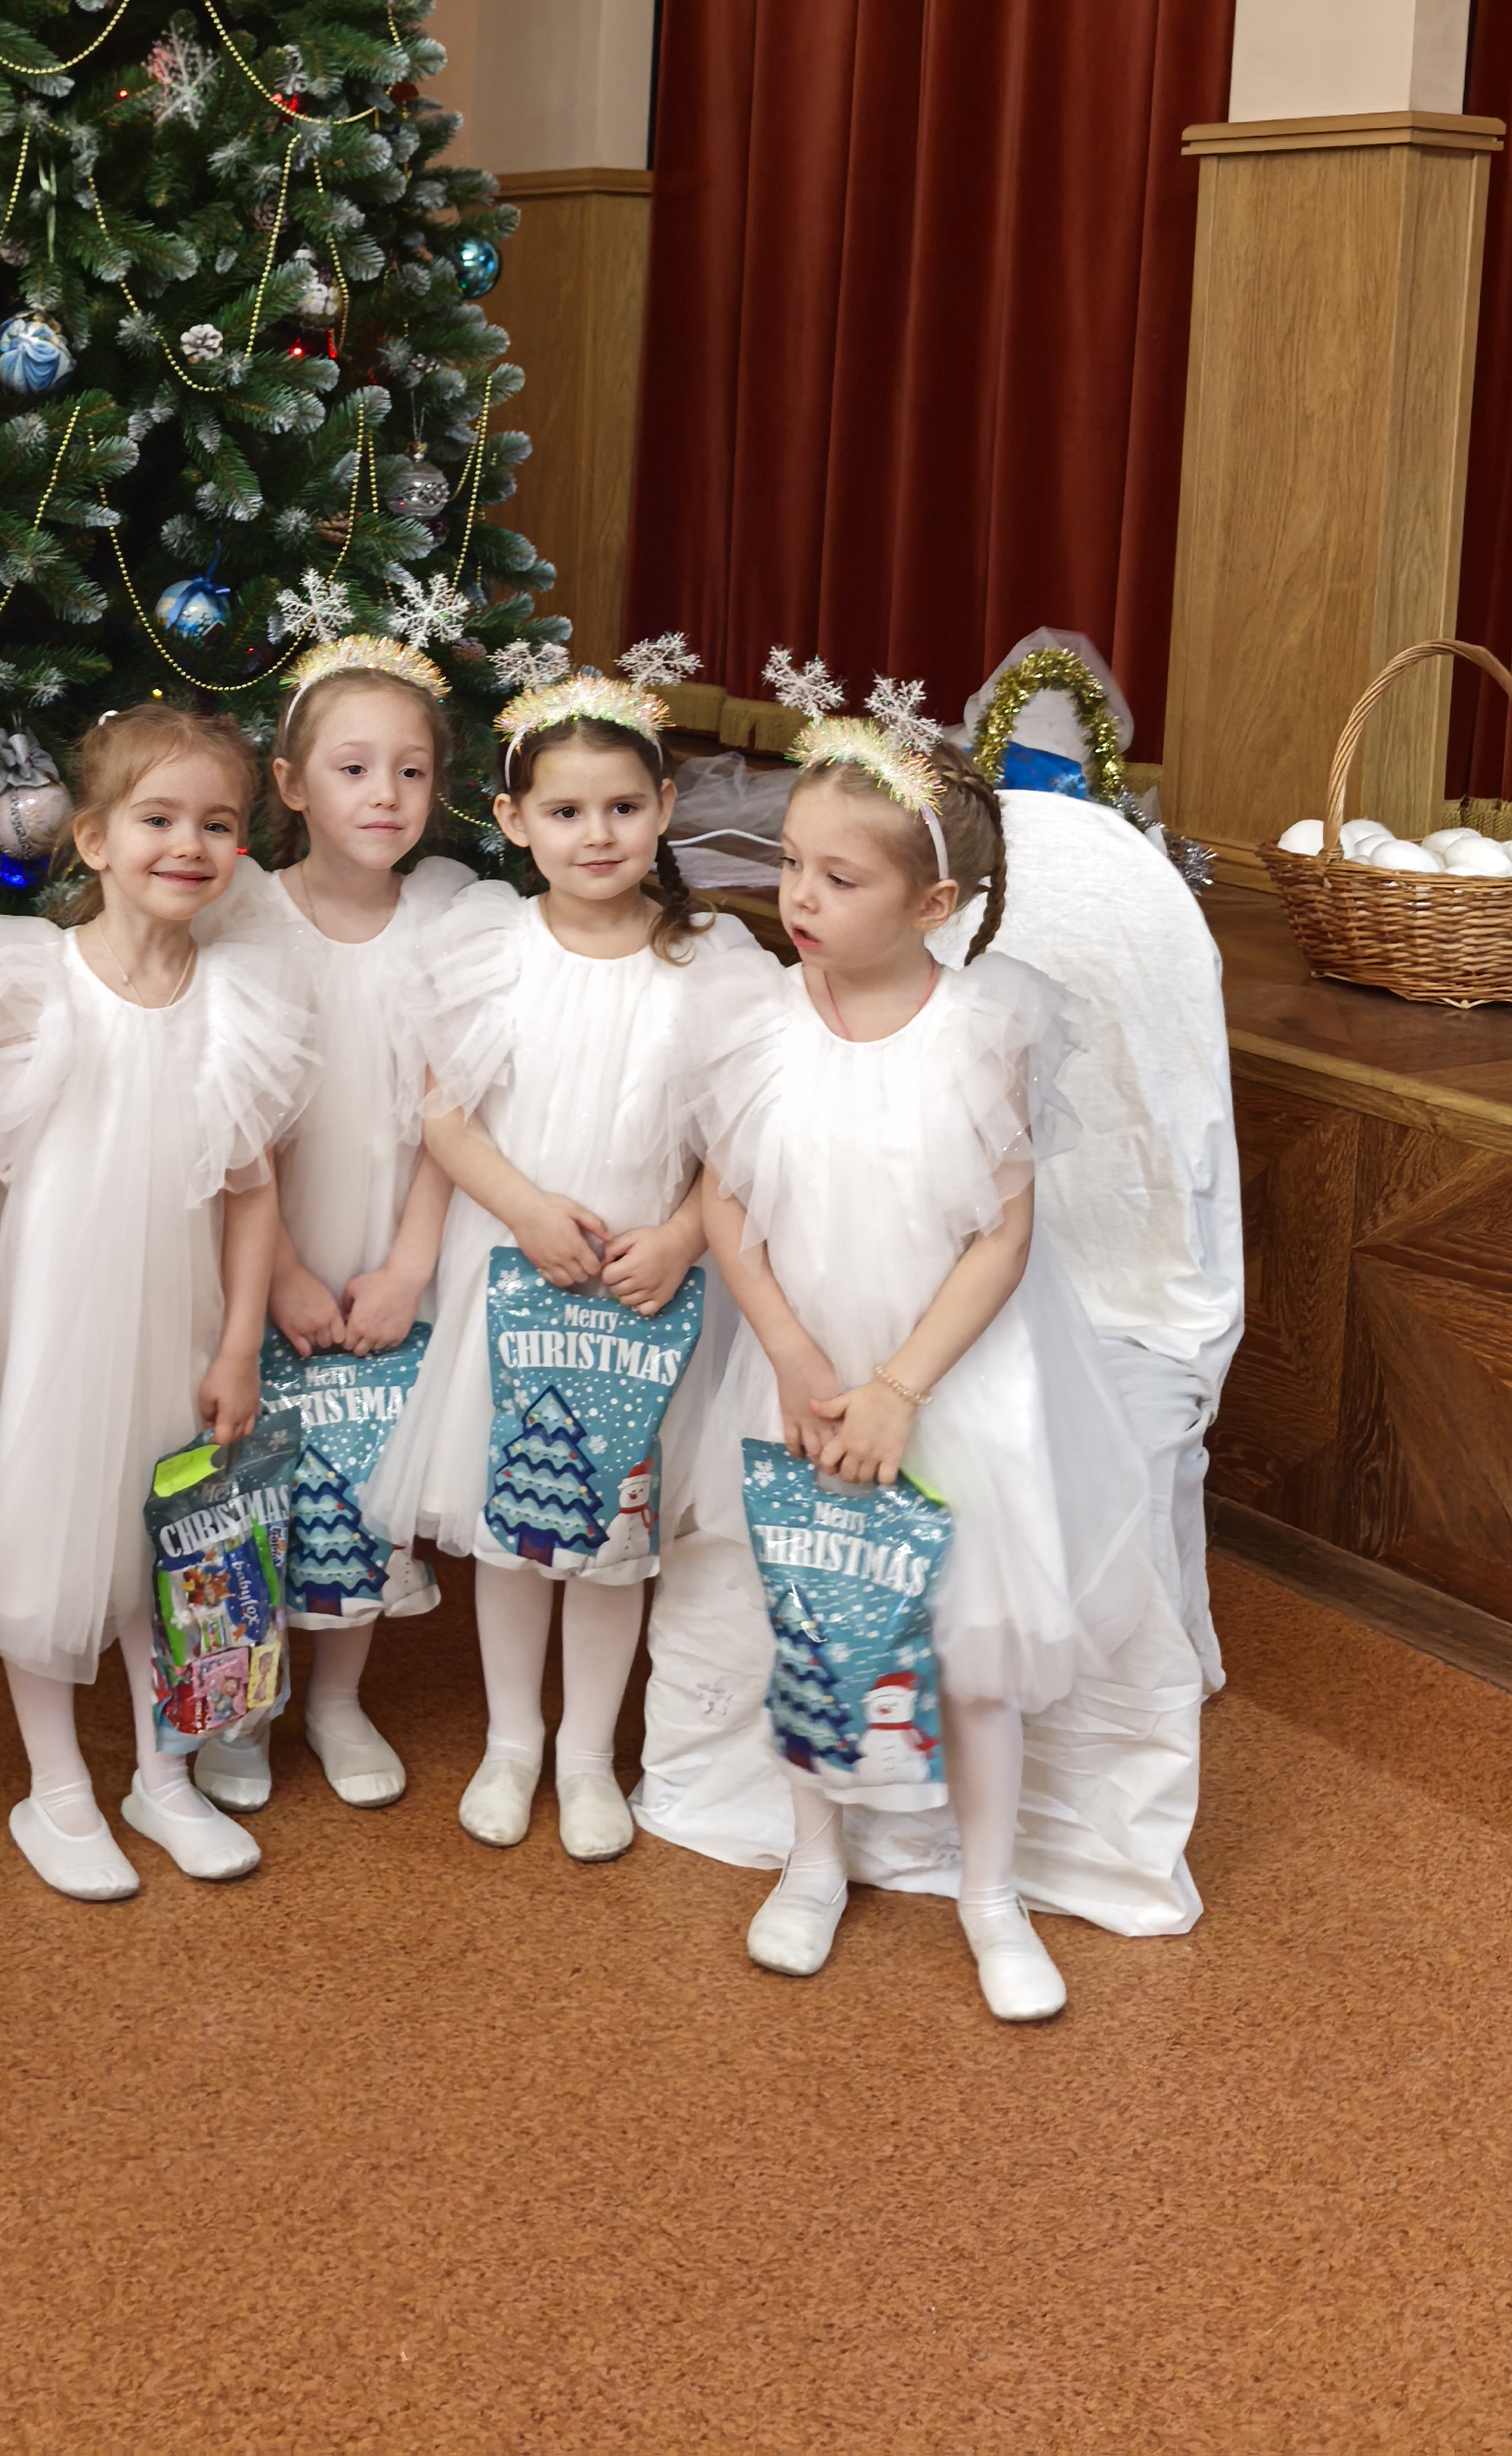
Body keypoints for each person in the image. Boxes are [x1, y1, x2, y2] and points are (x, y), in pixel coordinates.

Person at [646, 666, 1201, 2023]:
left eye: (840, 879)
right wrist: (793, 1358)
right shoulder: (756, 1021)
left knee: (974, 1645)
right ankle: (815, 1858)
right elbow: (728, 1206)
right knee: (811, 1614)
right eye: (791, 863)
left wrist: (900, 1389)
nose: (799, 897)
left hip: (952, 1382)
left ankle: (988, 1891)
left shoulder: (985, 1031)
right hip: (806, 1371)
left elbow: (1001, 1242)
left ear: (933, 906)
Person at [361, 653, 767, 1864]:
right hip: (516, 1270)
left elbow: (740, 1138)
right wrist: (529, 1211)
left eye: (625, 806)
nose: (598, 834)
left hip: (645, 1291)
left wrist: (684, 1235)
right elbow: (444, 1118)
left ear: (665, 808)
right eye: (567, 810)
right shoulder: (493, 947)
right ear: (513, 819)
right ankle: (512, 1742)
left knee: (609, 1537)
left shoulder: (713, 962)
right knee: (515, 1523)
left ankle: (589, 1754)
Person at [0, 702, 308, 1899]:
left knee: (168, 1542)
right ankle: (56, 1788)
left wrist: (239, 1343)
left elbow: (251, 1192)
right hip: (51, 1309)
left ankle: (161, 1773)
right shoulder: (37, 982)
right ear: (92, 838)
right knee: (47, 1534)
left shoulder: (238, 998)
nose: (188, 845)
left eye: (218, 825)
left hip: (171, 1319)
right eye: (157, 819)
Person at [189, 634, 474, 1817]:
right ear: (292, 784)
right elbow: (225, 1120)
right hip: (263, 1247)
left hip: (388, 1242)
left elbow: (457, 1110)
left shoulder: (455, 918)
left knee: (367, 1471)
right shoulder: (243, 915)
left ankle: (339, 1695)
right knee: (251, 1471)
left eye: (410, 771)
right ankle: (242, 1699)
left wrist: (409, 1264)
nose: (385, 795)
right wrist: (281, 1274)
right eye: (353, 769)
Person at [940, 634, 1242, 1687]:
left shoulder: (974, 873)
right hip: (1117, 1242)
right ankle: (1156, 1650)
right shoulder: (1144, 885)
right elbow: (1189, 1103)